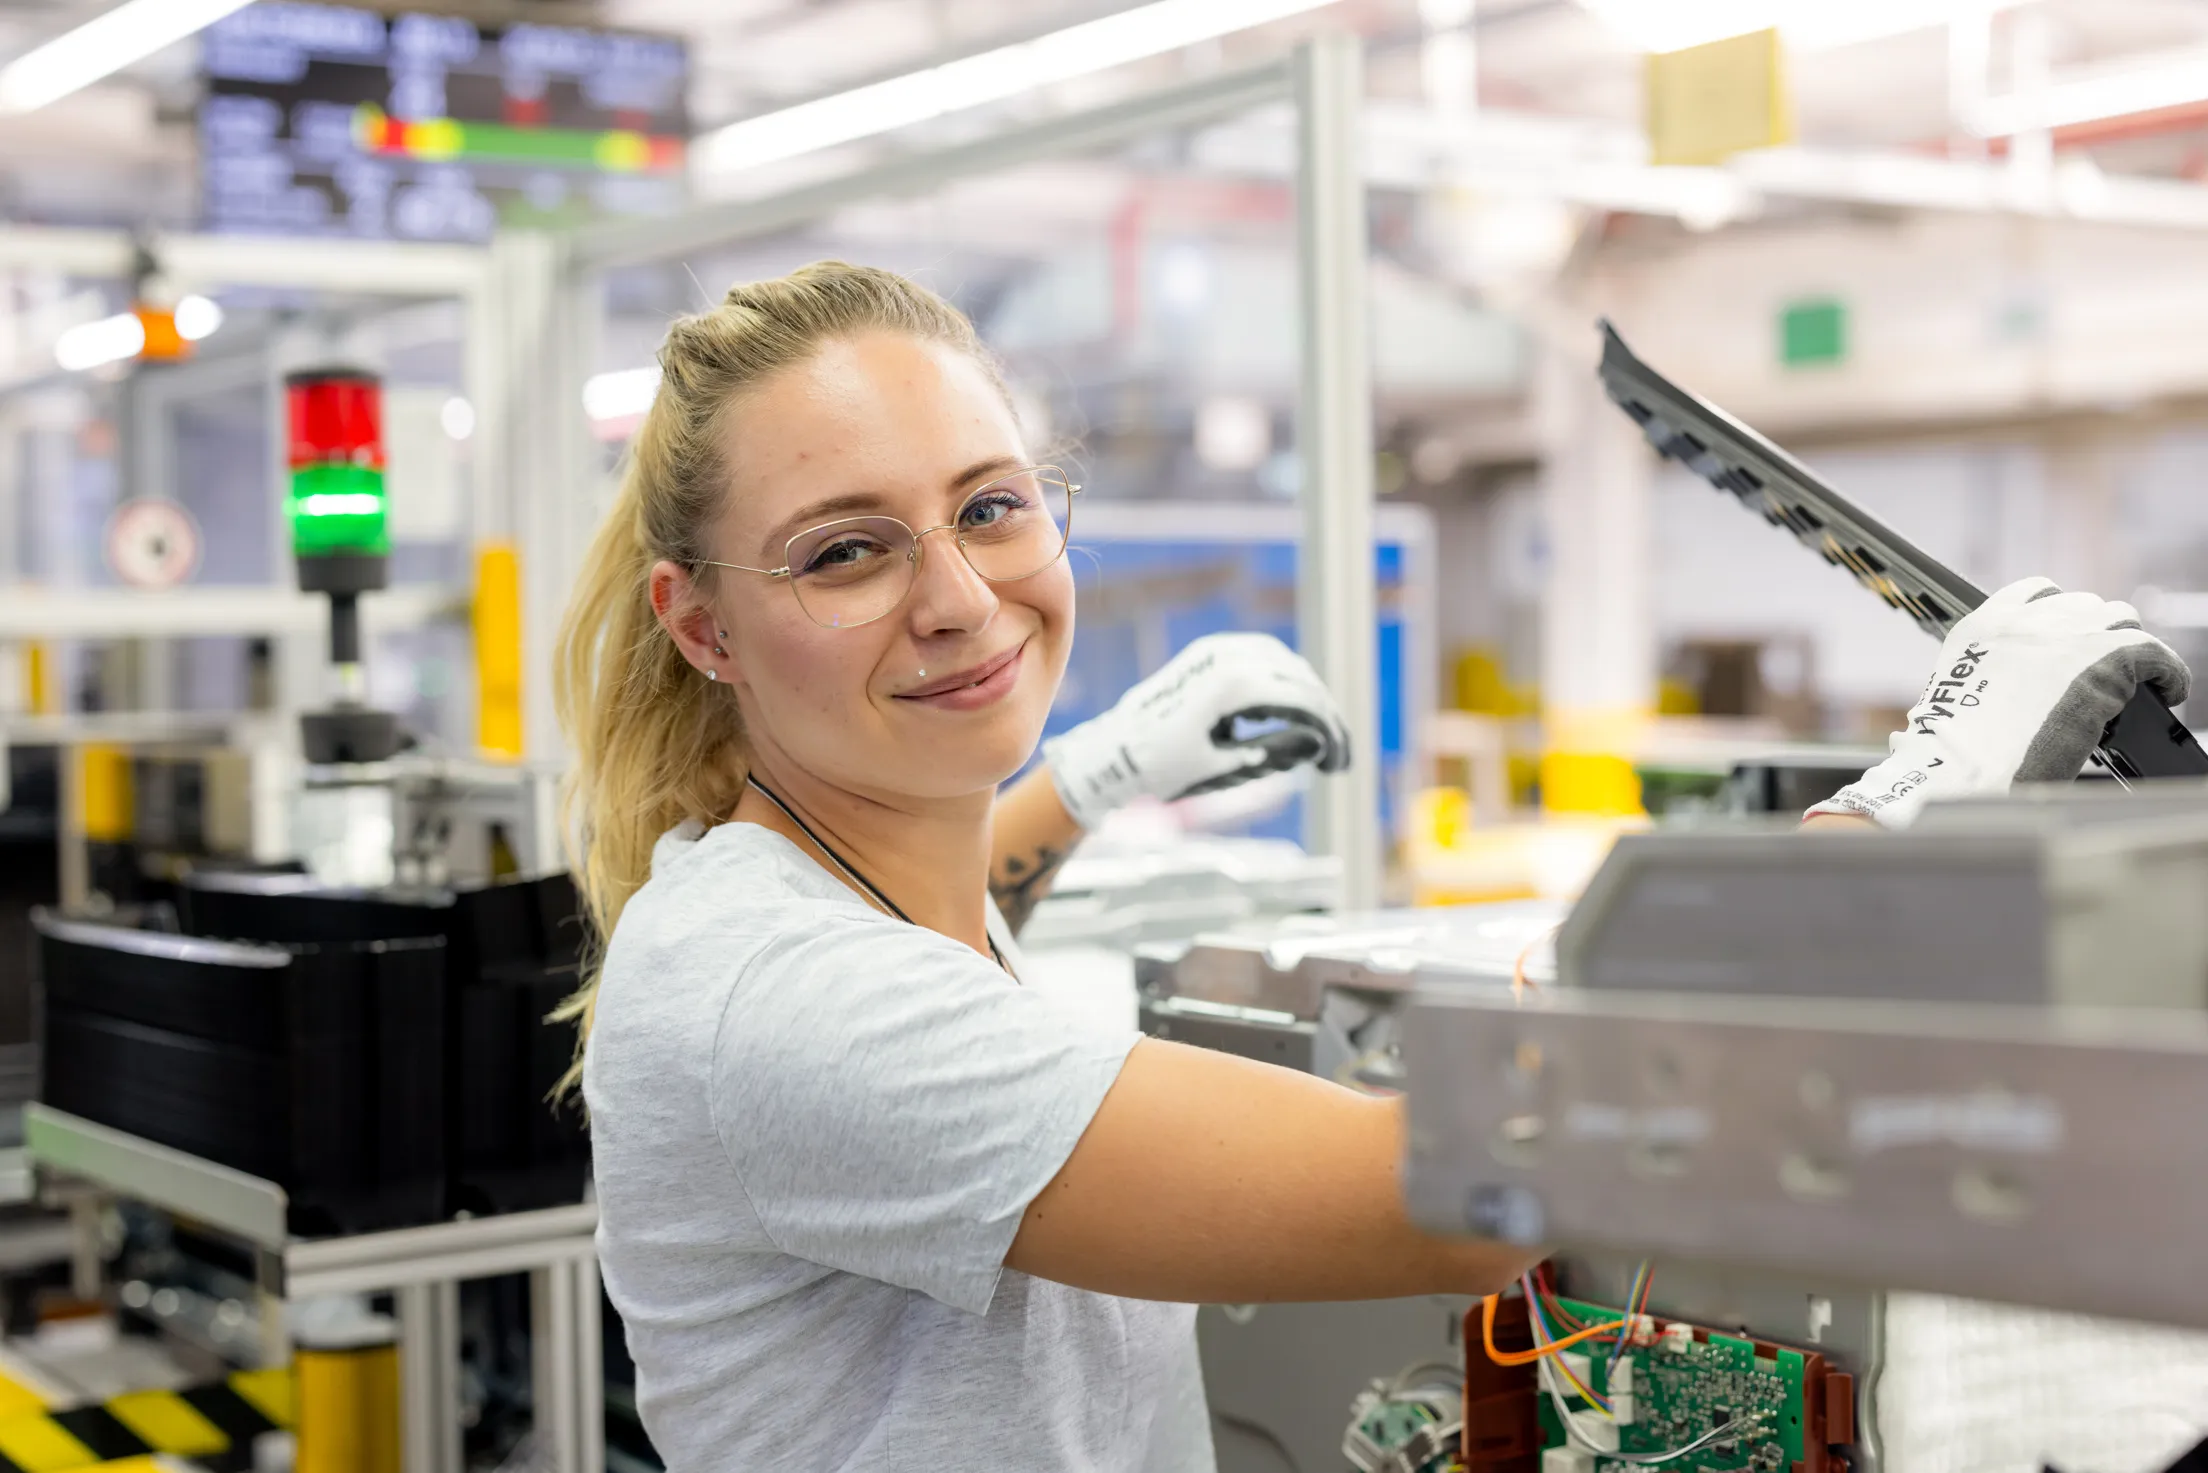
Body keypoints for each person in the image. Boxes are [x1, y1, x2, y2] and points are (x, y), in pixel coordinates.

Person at [555, 261, 2188, 1471]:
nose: (962, 600)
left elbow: (945, 938)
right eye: (848, 549)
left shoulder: (823, 886)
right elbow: (1473, 1193)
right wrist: (1904, 807)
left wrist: (1091, 780)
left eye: (990, 510)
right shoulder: (785, 996)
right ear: (700, 622)